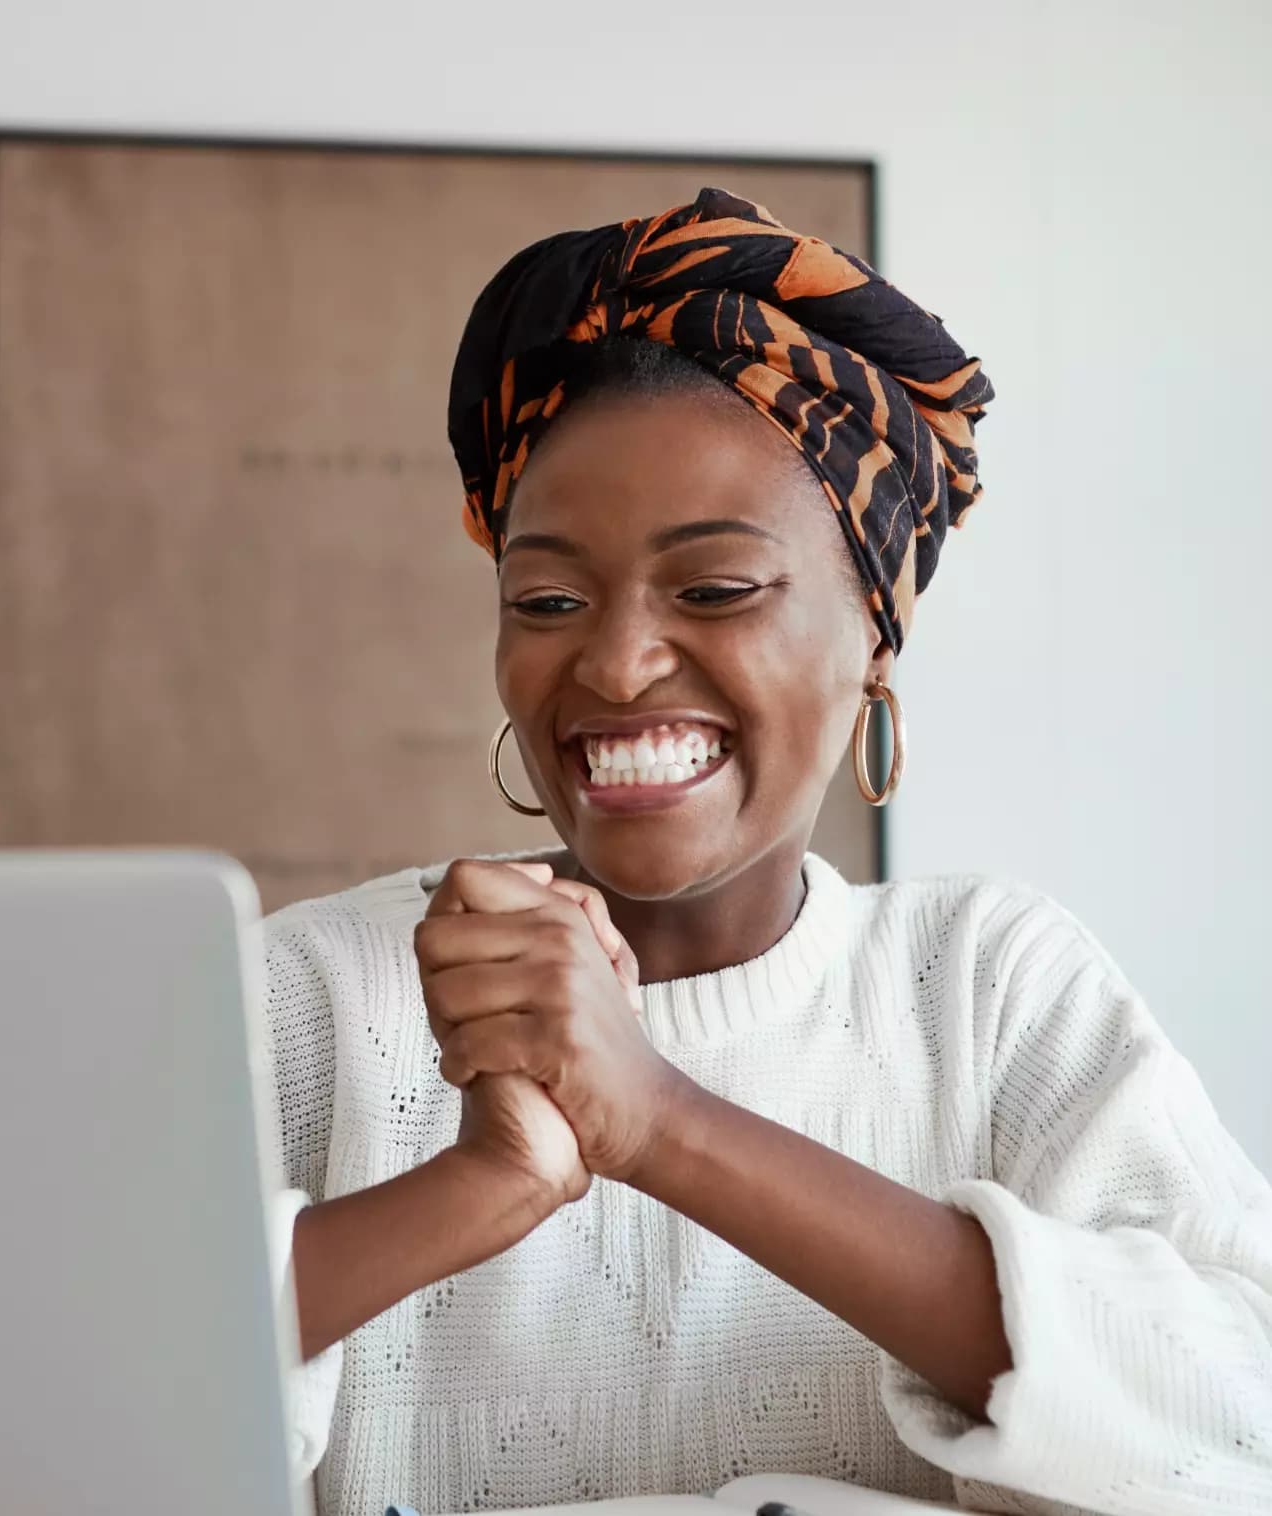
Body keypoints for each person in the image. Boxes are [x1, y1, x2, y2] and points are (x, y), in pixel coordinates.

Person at [258, 189, 1272, 1516]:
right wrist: (480, 1186)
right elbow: (43, 1421)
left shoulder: (988, 985)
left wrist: (663, 1123)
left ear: (873, 636)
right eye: (546, 600)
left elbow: (1231, 1422)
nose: (614, 664)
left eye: (716, 589)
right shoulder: (312, 994)